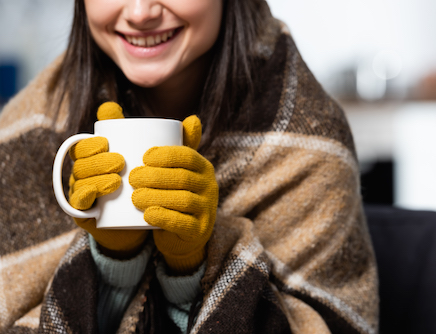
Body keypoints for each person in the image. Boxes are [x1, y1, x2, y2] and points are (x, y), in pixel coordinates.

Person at [0, 0, 379, 333]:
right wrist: (115, 259)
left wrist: (192, 268)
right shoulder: (28, 130)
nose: (140, 12)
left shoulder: (307, 138)